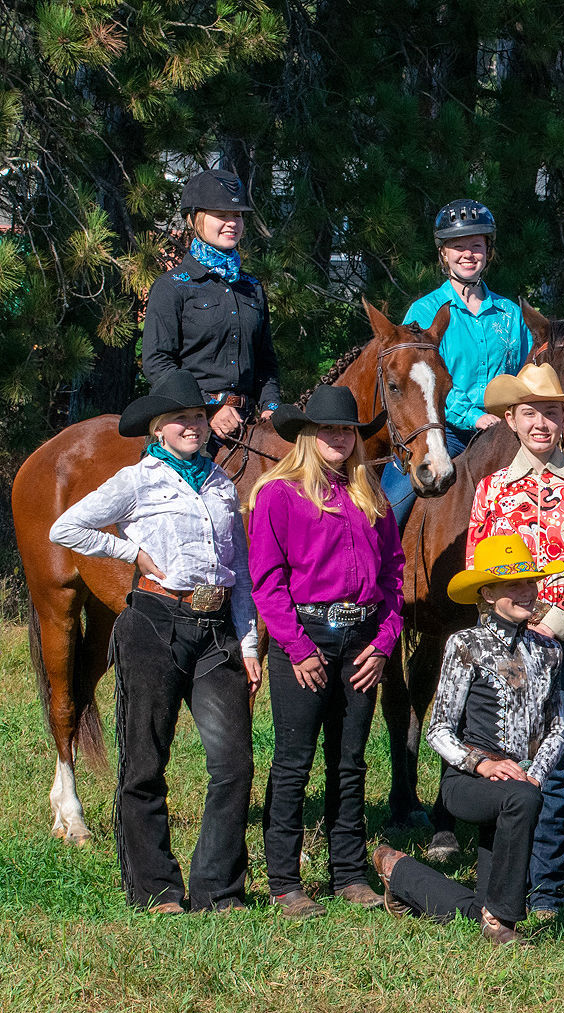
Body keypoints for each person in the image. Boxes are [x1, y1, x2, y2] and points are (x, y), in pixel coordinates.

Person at [49, 372, 262, 912]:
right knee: (145, 761)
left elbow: (237, 570)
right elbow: (66, 529)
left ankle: (219, 888)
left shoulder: (219, 483)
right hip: (154, 621)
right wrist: (129, 554)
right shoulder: (137, 480)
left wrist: (250, 643)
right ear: (158, 429)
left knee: (234, 764)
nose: (192, 426)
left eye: (197, 417)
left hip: (216, 630)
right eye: (180, 420)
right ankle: (156, 888)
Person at [246, 385, 403, 919]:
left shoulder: (371, 494)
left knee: (351, 761)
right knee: (294, 761)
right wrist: (295, 647)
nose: (340, 438)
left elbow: (392, 577)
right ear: (308, 436)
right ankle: (284, 881)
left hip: (362, 639)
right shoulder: (279, 494)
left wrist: (383, 644)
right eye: (329, 429)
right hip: (307, 636)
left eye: (348, 430)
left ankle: (348, 871)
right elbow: (267, 581)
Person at [464, 362, 564, 918]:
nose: (543, 423)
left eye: (552, 412)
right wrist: (500, 626)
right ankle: (503, 879)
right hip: (505, 641)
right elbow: (479, 561)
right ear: (511, 419)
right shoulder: (493, 490)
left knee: (551, 755)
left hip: (557, 638)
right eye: (531, 412)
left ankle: (547, 888)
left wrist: (560, 618)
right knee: (503, 754)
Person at [371, 535, 564, 946]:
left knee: (483, 898)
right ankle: (503, 923)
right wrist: (482, 764)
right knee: (523, 803)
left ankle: (402, 873)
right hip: (467, 784)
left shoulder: (549, 651)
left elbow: (556, 727)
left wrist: (535, 775)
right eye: (514, 584)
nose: (528, 592)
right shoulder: (465, 645)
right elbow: (438, 730)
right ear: (488, 593)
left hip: (519, 786)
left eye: (531, 582)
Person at [381, 198, 534, 525]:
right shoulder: (422, 313)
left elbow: (526, 374)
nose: (468, 254)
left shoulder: (510, 314)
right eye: (457, 246)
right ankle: (381, 564)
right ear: (443, 253)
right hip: (442, 433)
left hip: (504, 431)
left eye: (476, 245)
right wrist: (473, 416)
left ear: (488, 251)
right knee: (391, 506)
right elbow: (415, 385)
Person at [141, 169, 281, 441]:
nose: (232, 223)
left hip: (249, 423)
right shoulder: (172, 286)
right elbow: (157, 363)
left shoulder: (252, 288)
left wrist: (271, 408)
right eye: (221, 215)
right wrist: (209, 408)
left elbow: (266, 363)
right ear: (195, 219)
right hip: (189, 425)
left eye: (237, 215)